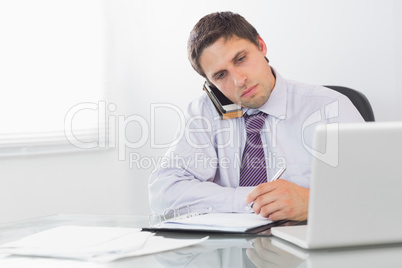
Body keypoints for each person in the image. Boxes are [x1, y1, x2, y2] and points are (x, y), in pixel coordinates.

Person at [148, 11, 364, 221]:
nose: (239, 80)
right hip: (230, 251)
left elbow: (376, 189)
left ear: (261, 46)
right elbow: (163, 193)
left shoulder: (329, 106)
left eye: (240, 59)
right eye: (221, 75)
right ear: (210, 84)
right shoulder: (202, 113)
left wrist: (314, 203)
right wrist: (251, 200)